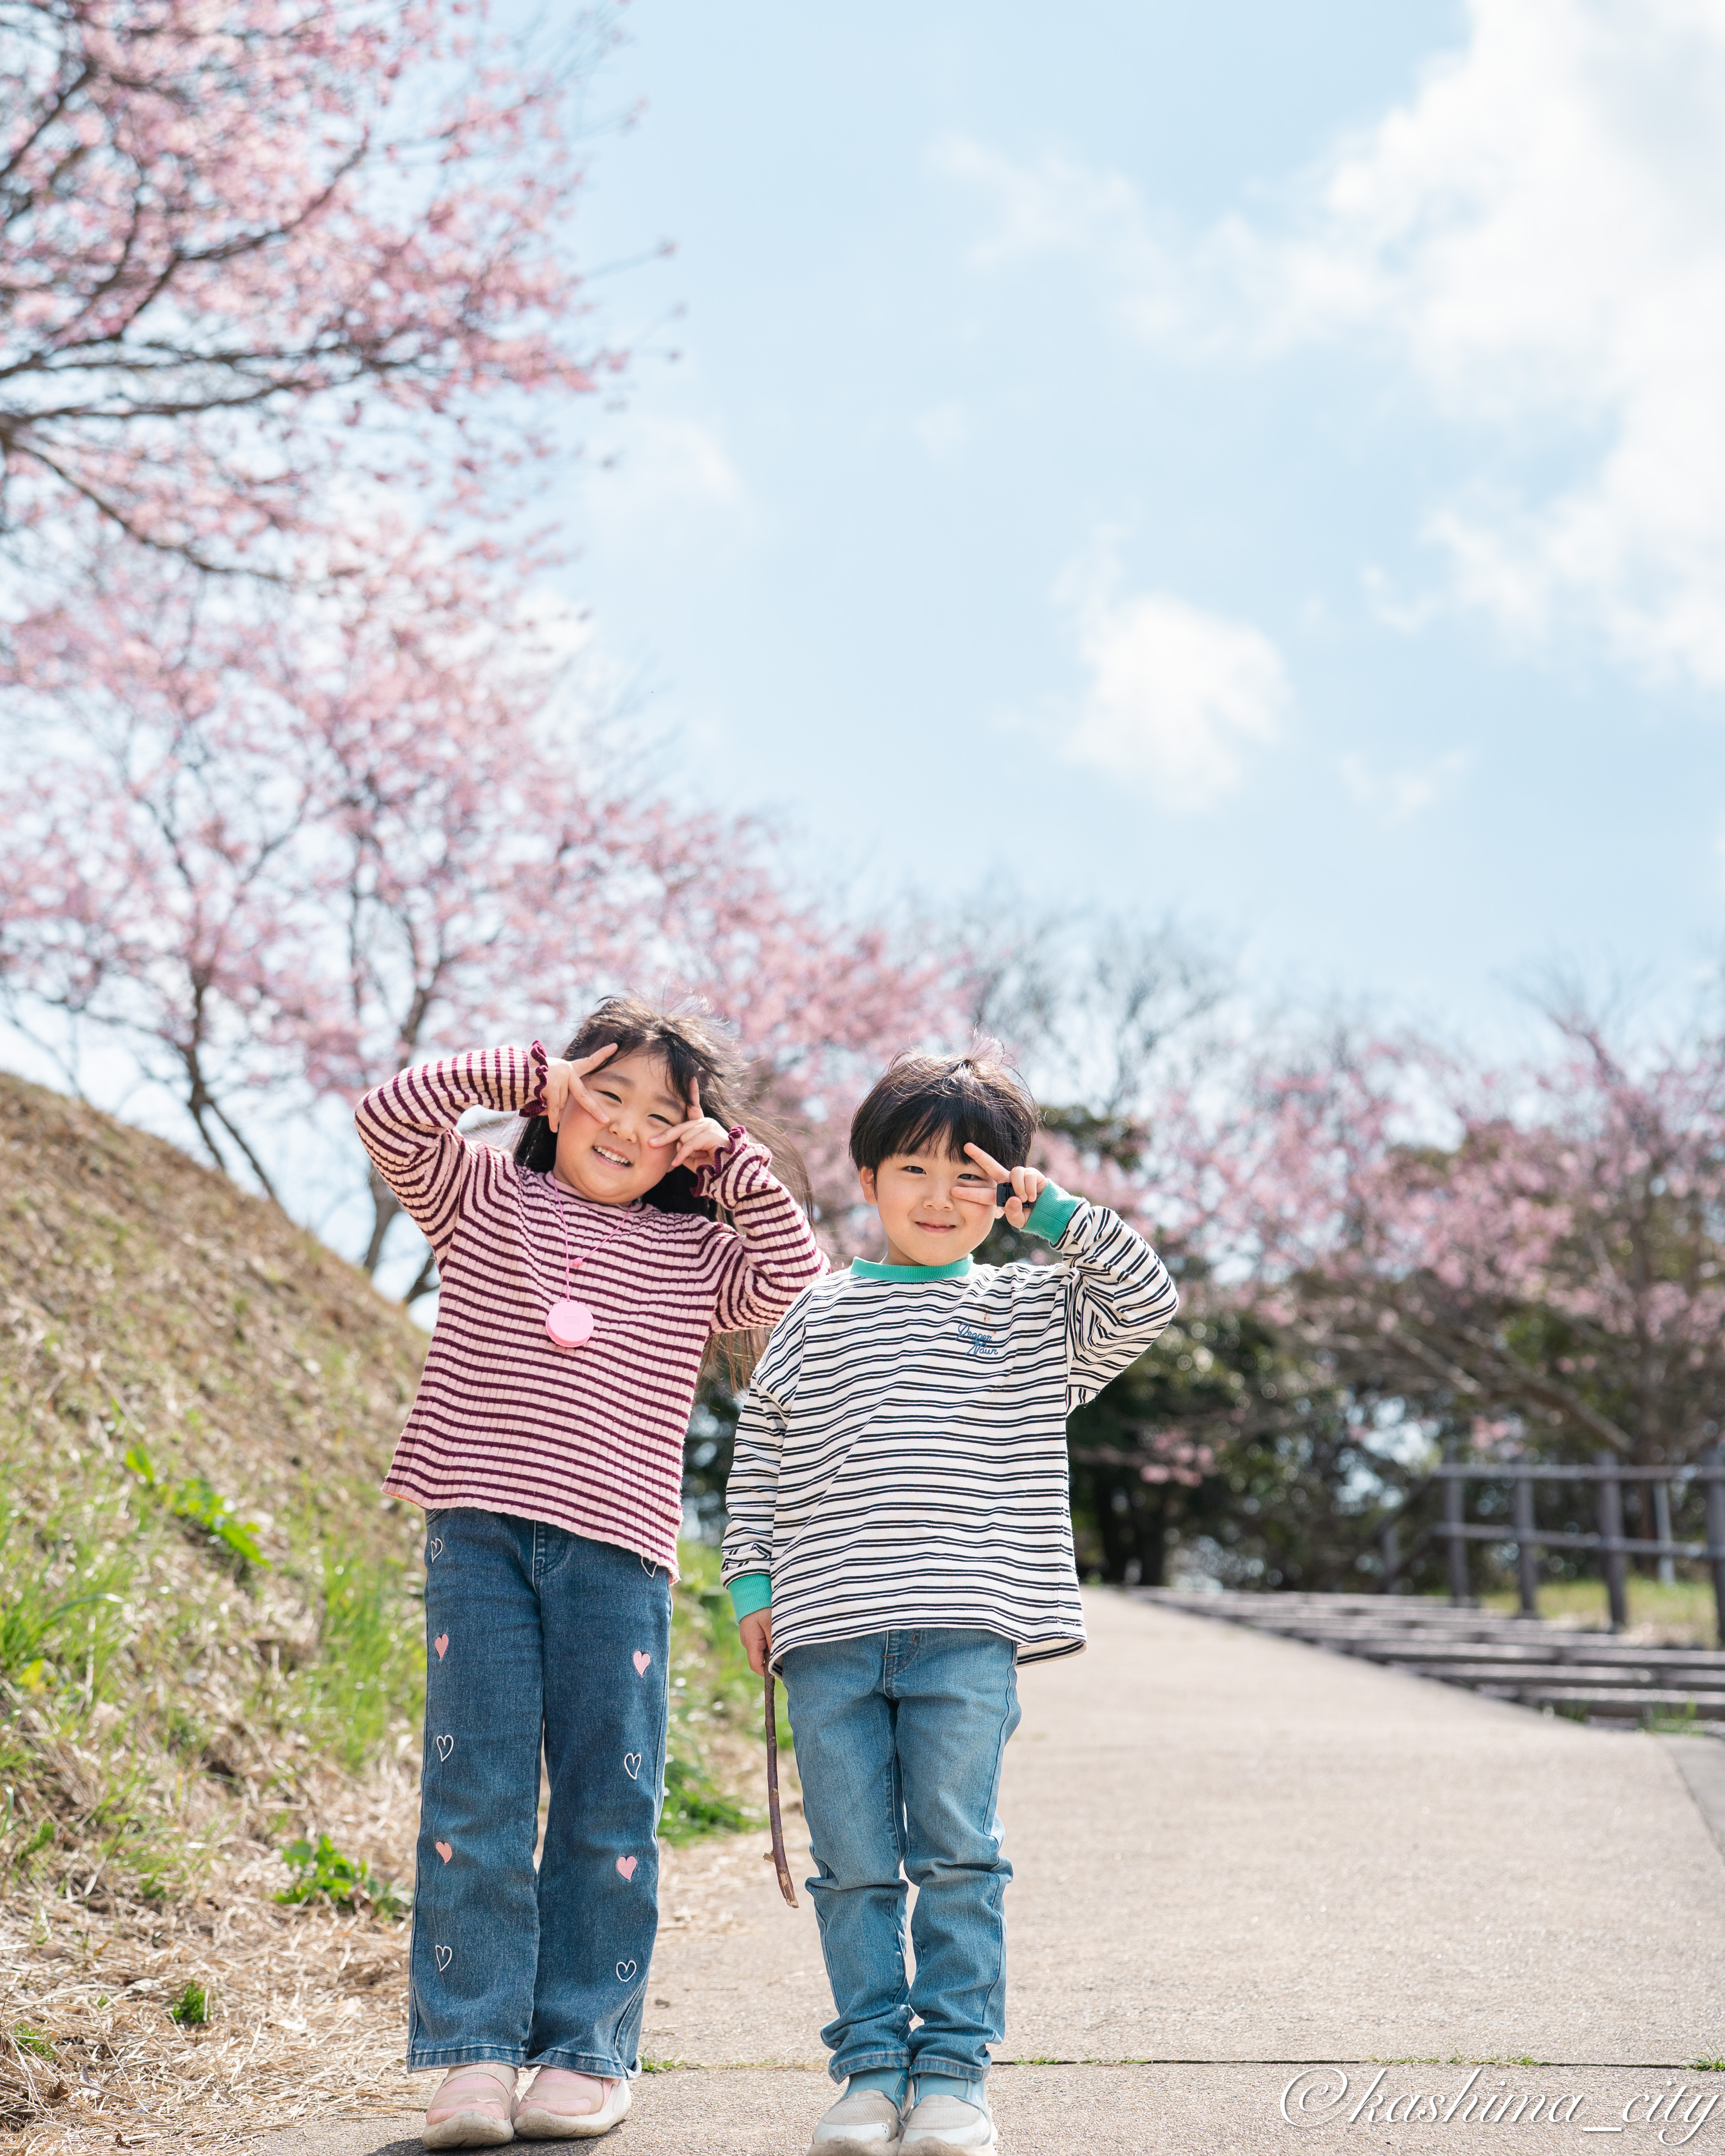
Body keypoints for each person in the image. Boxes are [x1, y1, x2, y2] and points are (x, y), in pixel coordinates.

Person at [357, 999, 826, 2148]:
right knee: (477, 1795)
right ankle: (470, 2051)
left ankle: (583, 2050)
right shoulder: (481, 1199)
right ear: (560, 1100)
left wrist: (741, 1169)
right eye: (604, 1095)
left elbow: (800, 1279)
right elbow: (388, 1116)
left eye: (664, 1116)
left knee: (608, 1802)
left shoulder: (702, 1253)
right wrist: (525, 1071)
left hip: (618, 1560)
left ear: (690, 1142)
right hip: (479, 1545)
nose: (626, 1125)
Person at [721, 1047, 1178, 2156]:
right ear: (867, 1179)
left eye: (969, 1175)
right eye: (912, 1168)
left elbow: (1148, 1298)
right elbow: (761, 1457)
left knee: (959, 1855)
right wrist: (750, 1582)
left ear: (1004, 1191)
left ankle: (955, 2073)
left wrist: (1056, 1212)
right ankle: (870, 2070)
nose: (937, 1196)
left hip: (965, 1635)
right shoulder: (814, 1314)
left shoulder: (1032, 1312)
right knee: (854, 1866)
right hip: (826, 1634)